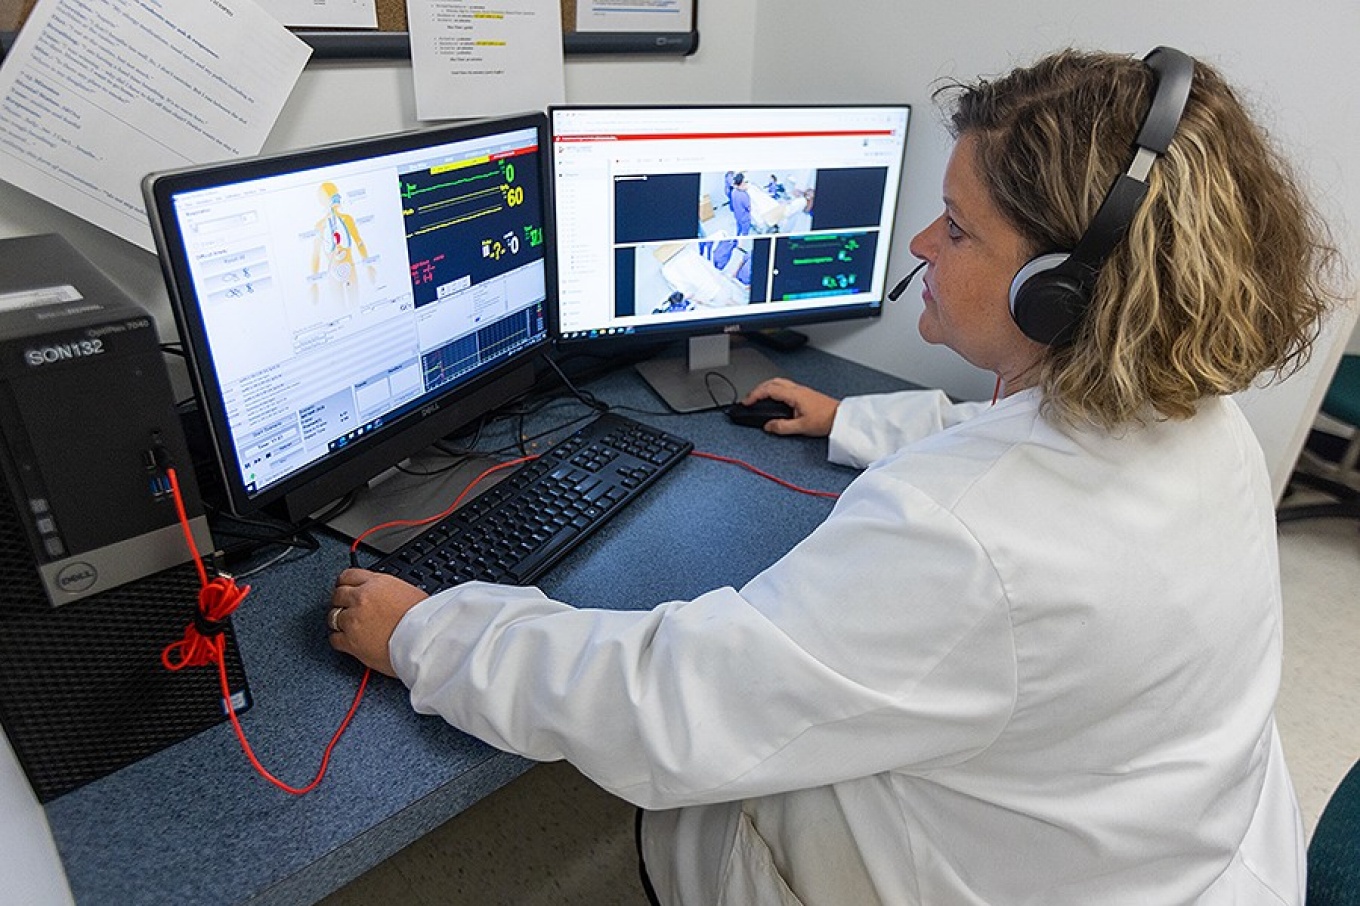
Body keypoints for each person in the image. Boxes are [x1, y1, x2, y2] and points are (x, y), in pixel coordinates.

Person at [326, 47, 1338, 904]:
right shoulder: (1206, 424)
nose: (920, 244)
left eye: (958, 226)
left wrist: (426, 633)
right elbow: (1023, 462)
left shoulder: (963, 536)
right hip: (1181, 853)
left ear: (1057, 295)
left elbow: (670, 705)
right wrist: (851, 417)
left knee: (697, 774)